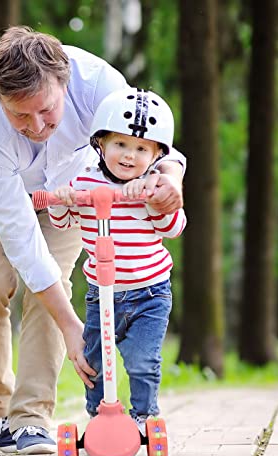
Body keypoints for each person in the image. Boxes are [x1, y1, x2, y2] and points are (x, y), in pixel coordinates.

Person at [0, 26, 186, 455]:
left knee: (53, 289)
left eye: (45, 110)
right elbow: (21, 239)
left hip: (71, 196)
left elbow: (153, 142)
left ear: (64, 82)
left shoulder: (100, 83)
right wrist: (71, 325)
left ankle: (31, 418)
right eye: (19, 116)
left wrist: (170, 179)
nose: (36, 126)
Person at [48, 88, 186, 435]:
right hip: (101, 292)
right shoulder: (85, 182)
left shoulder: (151, 186)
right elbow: (63, 222)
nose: (129, 156)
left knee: (142, 361)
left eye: (141, 149)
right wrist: (63, 199)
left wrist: (157, 203)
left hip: (149, 293)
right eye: (120, 145)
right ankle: (98, 419)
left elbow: (175, 226)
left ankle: (143, 418)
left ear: (155, 155)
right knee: (93, 358)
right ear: (101, 145)